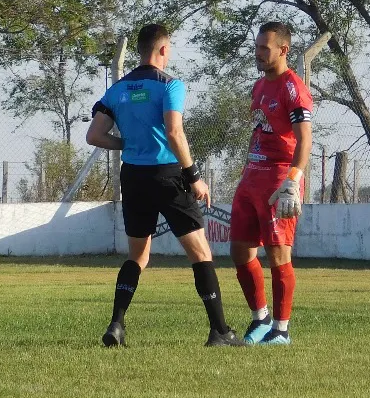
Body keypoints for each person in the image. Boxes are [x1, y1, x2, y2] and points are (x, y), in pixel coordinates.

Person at [86, 23, 245, 348]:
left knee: (138, 257)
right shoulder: (170, 86)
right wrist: (194, 175)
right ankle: (219, 331)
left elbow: (94, 136)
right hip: (168, 175)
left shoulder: (118, 90)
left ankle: (117, 324)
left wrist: (127, 143)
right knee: (200, 253)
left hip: (133, 177)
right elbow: (174, 132)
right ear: (162, 50)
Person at [230, 21, 314, 346]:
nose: (259, 54)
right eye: (257, 47)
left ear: (283, 49)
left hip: (279, 180)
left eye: (265, 48)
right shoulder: (258, 86)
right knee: (240, 252)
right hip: (251, 177)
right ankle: (260, 318)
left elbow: (305, 139)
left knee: (279, 255)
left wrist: (293, 180)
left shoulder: (292, 87)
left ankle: (281, 329)